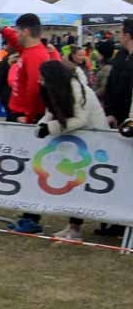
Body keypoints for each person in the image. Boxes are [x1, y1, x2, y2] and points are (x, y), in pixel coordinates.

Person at [0, 14, 53, 234]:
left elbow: (37, 89)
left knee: (30, 168)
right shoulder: (28, 50)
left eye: (17, 31)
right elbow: (15, 41)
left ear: (25, 31)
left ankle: (31, 217)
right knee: (21, 166)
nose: (15, 35)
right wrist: (1, 28)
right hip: (19, 113)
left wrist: (29, 115)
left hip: (26, 118)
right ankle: (27, 214)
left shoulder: (36, 56)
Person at [35, 60, 110, 241]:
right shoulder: (55, 90)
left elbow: (80, 119)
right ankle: (73, 226)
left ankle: (79, 228)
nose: (39, 80)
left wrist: (51, 128)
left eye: (42, 77)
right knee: (75, 185)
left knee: (84, 185)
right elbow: (52, 112)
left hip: (95, 140)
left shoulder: (76, 90)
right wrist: (42, 125)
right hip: (77, 142)